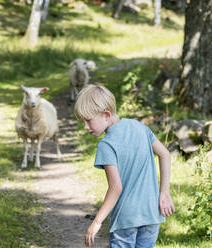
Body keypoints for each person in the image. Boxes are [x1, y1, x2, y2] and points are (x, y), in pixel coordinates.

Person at [74, 84, 175, 248]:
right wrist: (164, 192)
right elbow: (165, 154)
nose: (85, 127)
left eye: (88, 120)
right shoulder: (140, 127)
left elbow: (116, 188)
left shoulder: (106, 145)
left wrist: (97, 221)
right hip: (151, 214)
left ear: (106, 115)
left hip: (126, 218)